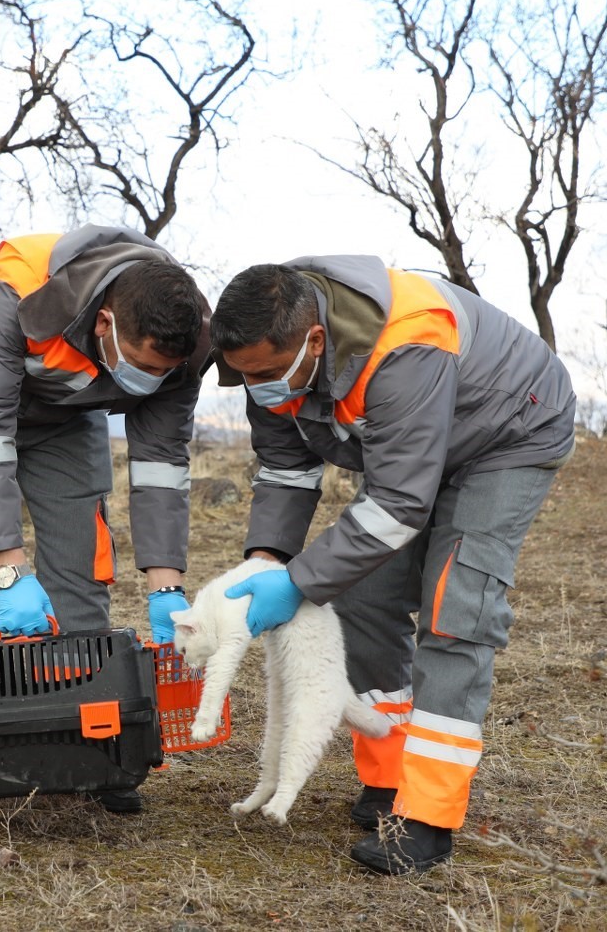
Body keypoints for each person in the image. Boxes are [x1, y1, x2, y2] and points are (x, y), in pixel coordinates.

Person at [209, 257, 575, 873]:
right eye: (246, 377)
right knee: (358, 596)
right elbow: (285, 468)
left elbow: (399, 505)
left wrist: (298, 582)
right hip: (412, 450)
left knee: (454, 608)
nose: (260, 387)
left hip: (508, 436)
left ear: (316, 341)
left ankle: (427, 816)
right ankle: (388, 774)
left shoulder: (407, 343)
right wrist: (268, 560)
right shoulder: (266, 358)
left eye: (269, 374)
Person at [0, 224, 208, 812]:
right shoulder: (18, 291)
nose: (149, 382)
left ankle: (93, 741)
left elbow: (161, 463)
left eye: (161, 372)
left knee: (80, 556)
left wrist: (166, 583)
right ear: (105, 324)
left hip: (68, 413)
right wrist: (11, 569)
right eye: (142, 366)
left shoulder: (187, 339)